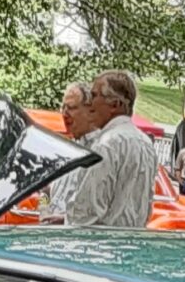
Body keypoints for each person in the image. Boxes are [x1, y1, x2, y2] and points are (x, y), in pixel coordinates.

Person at [51, 71, 156, 228]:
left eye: (94, 96)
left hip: (98, 246)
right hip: (131, 242)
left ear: (114, 105)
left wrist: (67, 223)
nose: (90, 104)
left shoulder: (106, 145)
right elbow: (142, 207)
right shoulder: (145, 143)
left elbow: (86, 214)